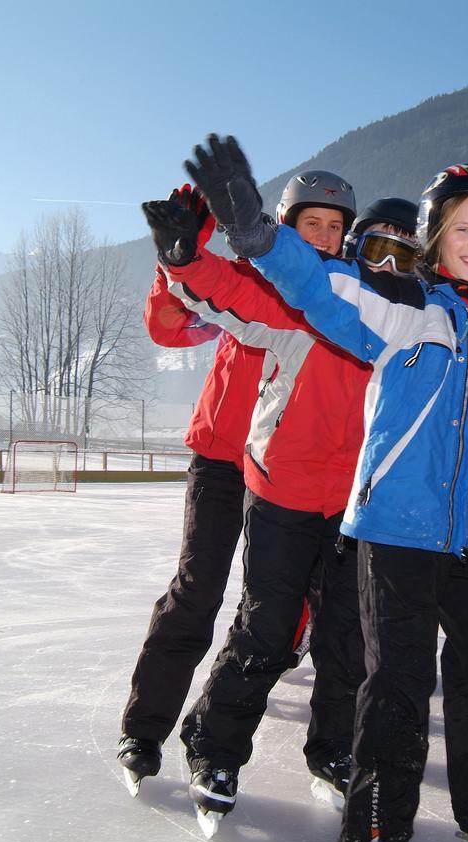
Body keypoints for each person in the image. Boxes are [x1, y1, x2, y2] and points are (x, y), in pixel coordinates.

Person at [179, 134, 468, 842]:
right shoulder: (404, 307)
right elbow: (316, 286)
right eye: (462, 229)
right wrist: (257, 234)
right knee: (396, 686)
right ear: (436, 236)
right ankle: (376, 831)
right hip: (393, 531)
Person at [142, 170, 375, 836]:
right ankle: (187, 739)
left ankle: (332, 750)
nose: (325, 238)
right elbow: (191, 308)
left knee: (342, 632)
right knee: (243, 614)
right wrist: (180, 256)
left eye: (336, 227)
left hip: (340, 493)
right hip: (252, 468)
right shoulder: (265, 283)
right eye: (312, 224)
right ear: (282, 224)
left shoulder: (359, 296)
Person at [116, 185, 264, 796]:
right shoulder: (232, 282)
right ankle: (144, 728)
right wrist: (181, 250)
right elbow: (169, 325)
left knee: (271, 609)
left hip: (287, 468)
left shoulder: (323, 293)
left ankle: (214, 734)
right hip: (222, 457)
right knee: (197, 589)